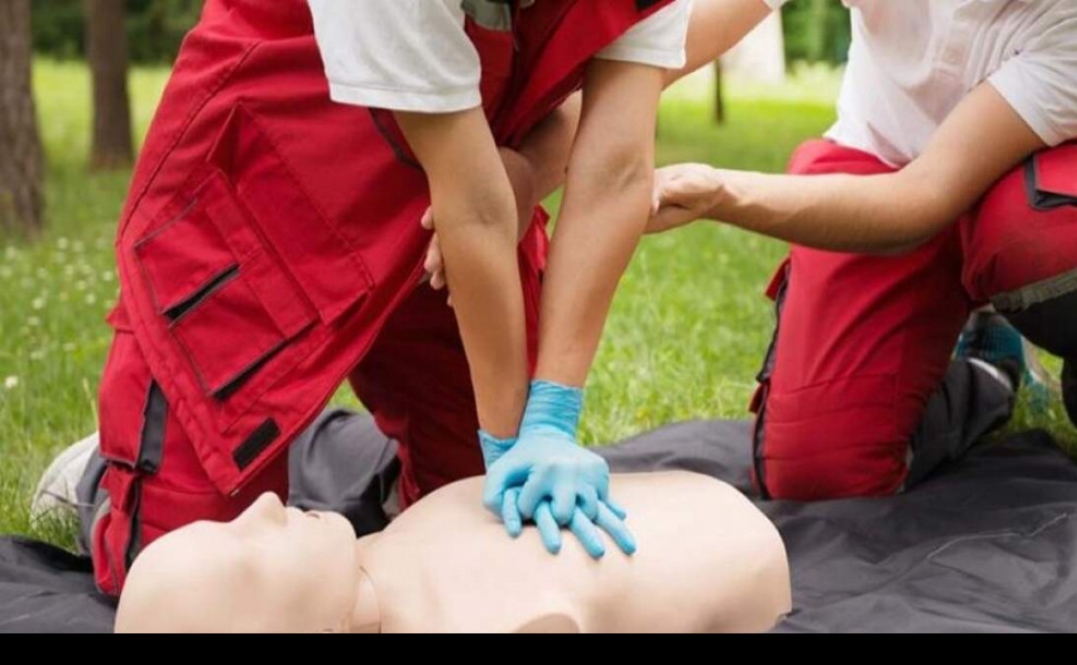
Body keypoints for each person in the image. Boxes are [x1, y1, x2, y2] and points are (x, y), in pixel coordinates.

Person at [91, 0, 692, 597]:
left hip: (452, 208)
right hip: (267, 191)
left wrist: (551, 419)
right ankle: (98, 477)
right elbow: (476, 208)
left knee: (484, 532)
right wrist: (509, 443)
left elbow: (614, 167)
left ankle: (373, 488)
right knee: (189, 582)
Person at [651, 0, 1077, 501]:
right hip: (885, 150)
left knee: (1042, 238)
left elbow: (923, 198)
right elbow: (696, 28)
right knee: (818, 473)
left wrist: (716, 192)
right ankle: (990, 372)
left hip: (1052, 155)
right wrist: (589, 95)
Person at [114, 474, 792, 634]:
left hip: (696, 511)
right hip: (732, 552)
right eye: (250, 551)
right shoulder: (479, 618)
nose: (263, 504)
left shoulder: (369, 561)